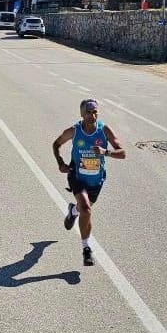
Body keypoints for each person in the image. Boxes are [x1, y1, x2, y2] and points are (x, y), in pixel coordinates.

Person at [51, 99, 125, 266]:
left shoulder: (104, 130)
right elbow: (56, 144)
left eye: (95, 112)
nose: (92, 115)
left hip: (96, 180)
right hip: (76, 176)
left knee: (83, 210)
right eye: (88, 112)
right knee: (86, 209)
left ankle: (73, 211)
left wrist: (105, 152)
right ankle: (86, 248)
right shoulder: (74, 131)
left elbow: (122, 153)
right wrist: (61, 163)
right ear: (82, 114)